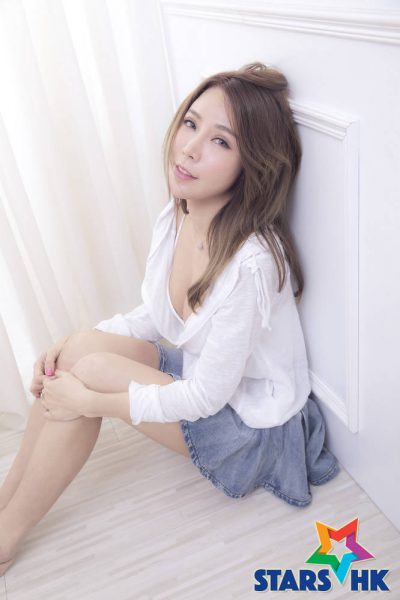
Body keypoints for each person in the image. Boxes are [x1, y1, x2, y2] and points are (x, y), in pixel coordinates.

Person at [0, 62, 339, 575]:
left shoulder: (251, 264)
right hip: (209, 383)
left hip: (252, 429)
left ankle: (5, 537)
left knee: (89, 375)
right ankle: (5, 502)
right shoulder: (179, 214)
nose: (190, 148)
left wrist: (95, 403)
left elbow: (205, 398)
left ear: (252, 164)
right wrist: (69, 343)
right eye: (191, 124)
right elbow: (157, 314)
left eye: (221, 141)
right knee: (75, 355)